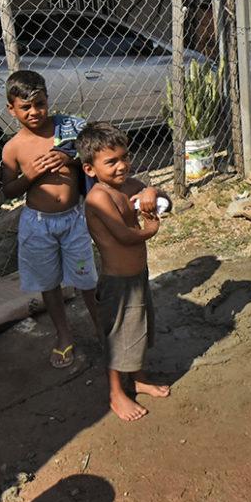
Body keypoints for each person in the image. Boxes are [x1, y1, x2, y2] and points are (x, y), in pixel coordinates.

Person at [0, 70, 102, 371]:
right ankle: (63, 333)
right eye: (25, 107)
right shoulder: (13, 148)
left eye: (40, 104)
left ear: (48, 100)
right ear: (11, 109)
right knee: (48, 281)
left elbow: (92, 157)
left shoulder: (68, 130)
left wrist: (69, 159)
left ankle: (100, 327)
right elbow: (7, 191)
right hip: (38, 225)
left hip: (73, 220)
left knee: (86, 277)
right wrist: (30, 175)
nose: (34, 112)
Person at [79, 122, 171, 421]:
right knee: (118, 337)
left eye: (124, 157)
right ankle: (116, 393)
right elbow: (124, 236)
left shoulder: (131, 185)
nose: (122, 166)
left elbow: (163, 199)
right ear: (90, 169)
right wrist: (151, 228)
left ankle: (139, 379)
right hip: (117, 282)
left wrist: (152, 191)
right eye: (111, 162)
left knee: (139, 330)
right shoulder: (98, 198)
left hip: (138, 275)